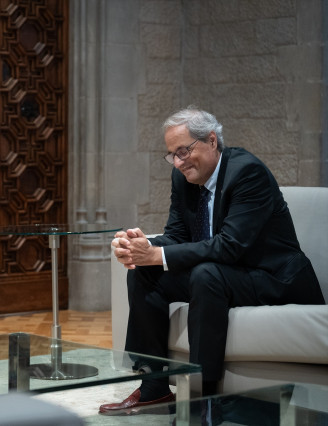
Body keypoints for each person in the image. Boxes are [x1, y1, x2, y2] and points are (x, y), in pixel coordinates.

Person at [99, 107, 324, 418]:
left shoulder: (247, 172)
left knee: (206, 275)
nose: (178, 162)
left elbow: (230, 246)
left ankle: (204, 401)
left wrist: (157, 254)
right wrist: (144, 248)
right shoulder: (183, 178)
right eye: (172, 155)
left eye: (183, 151)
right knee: (145, 272)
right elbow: (177, 235)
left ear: (212, 140)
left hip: (274, 278)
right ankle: (154, 388)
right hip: (229, 274)